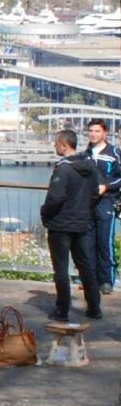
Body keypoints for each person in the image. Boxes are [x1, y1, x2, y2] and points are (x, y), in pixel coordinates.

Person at [44, 129, 102, 323]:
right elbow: (95, 193)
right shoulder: (89, 167)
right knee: (85, 265)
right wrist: (84, 209)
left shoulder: (64, 169)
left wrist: (45, 212)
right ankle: (94, 307)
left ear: (63, 144)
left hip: (61, 224)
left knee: (61, 268)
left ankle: (62, 310)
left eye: (56, 142)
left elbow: (55, 198)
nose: (54, 146)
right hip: (81, 222)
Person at [84, 118, 119, 294]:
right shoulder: (86, 154)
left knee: (105, 243)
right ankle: (90, 280)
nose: (93, 134)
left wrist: (107, 186)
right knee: (88, 243)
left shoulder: (114, 153)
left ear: (104, 133)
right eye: (91, 131)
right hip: (87, 204)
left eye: (97, 131)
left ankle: (106, 281)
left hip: (106, 202)